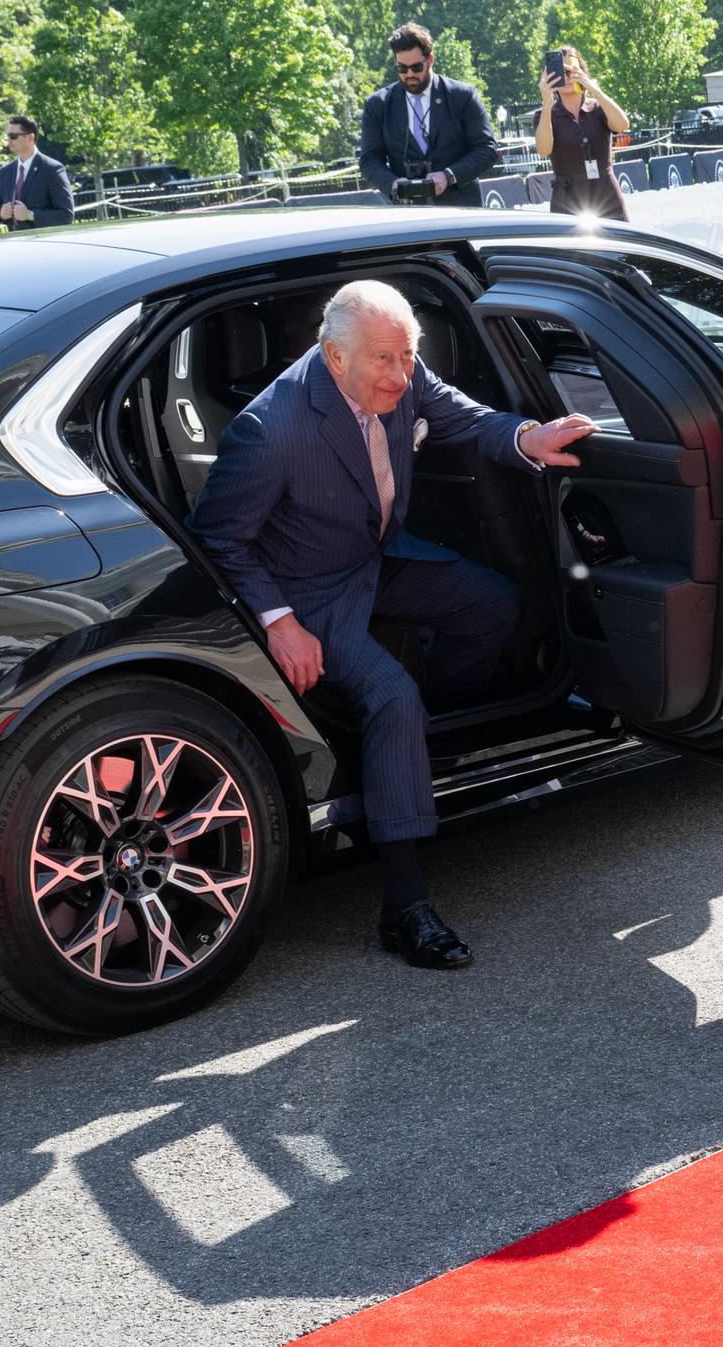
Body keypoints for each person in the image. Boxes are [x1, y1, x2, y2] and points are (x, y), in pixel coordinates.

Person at [186, 280, 595, 967]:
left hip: (378, 557)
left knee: (494, 605)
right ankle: (405, 908)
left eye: (409, 357)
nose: (402, 376)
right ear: (333, 357)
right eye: (384, 361)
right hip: (309, 589)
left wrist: (528, 435)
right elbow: (217, 539)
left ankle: (408, 754)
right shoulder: (271, 428)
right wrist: (280, 621)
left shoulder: (397, 367)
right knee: (391, 694)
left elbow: (460, 416)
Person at [358, 24, 499, 208]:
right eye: (402, 68)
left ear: (430, 60)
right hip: (408, 215)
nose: (409, 75)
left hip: (461, 212)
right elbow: (369, 160)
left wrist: (448, 176)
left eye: (416, 67)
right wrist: (393, 184)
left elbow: (487, 149)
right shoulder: (378, 104)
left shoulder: (462, 96)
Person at [533, 47, 630, 220]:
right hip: (568, 201)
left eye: (571, 71)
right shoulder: (545, 115)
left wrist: (595, 90)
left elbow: (622, 124)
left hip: (606, 196)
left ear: (583, 71)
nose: (566, 77)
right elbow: (544, 150)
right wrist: (547, 102)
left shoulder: (598, 108)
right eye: (560, 72)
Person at [0, 114, 75, 231]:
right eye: (8, 135)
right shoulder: (4, 173)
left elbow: (66, 215)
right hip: (15, 244)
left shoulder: (52, 169)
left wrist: (30, 215)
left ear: (30, 138)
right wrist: (1, 214)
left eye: (13, 136)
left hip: (44, 244)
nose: (9, 140)